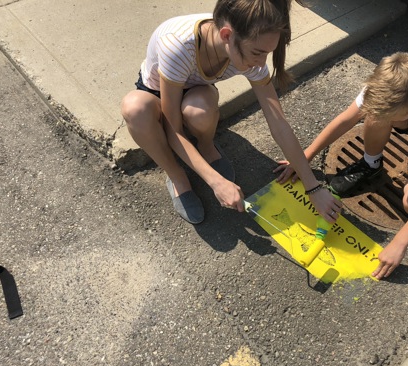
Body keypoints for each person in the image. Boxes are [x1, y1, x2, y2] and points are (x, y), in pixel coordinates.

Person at [121, 0, 341, 224]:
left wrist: (313, 187)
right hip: (157, 90)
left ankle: (206, 145)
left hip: (195, 90)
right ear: (226, 35)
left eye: (267, 52)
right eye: (257, 52)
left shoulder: (249, 48)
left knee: (200, 112)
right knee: (134, 108)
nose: (261, 62)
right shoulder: (178, 46)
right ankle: (177, 177)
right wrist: (216, 182)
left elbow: (279, 124)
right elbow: (173, 129)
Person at [275, 50, 408, 279]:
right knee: (375, 114)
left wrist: (400, 243)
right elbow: (348, 117)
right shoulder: (391, 81)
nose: (390, 123)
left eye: (395, 118)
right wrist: (304, 157)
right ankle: (371, 164)